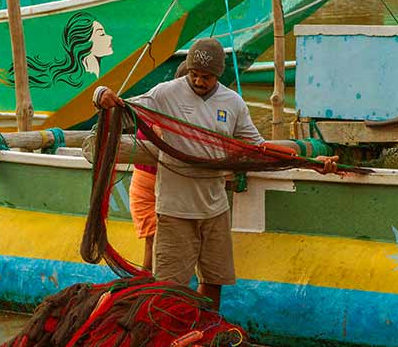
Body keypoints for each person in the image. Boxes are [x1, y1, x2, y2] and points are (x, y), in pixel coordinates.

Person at [94, 38, 337, 310]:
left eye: (206, 77)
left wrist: (310, 161)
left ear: (218, 75)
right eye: (194, 75)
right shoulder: (165, 94)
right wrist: (102, 95)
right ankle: (168, 335)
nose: (199, 81)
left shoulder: (232, 103)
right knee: (169, 286)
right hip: (175, 209)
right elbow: (123, 108)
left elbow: (257, 148)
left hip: (215, 209)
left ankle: (205, 330)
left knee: (214, 279)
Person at [129, 62, 188, 271]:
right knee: (154, 244)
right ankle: (146, 289)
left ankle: (150, 288)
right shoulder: (162, 104)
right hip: (149, 185)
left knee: (167, 245)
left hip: (173, 185)